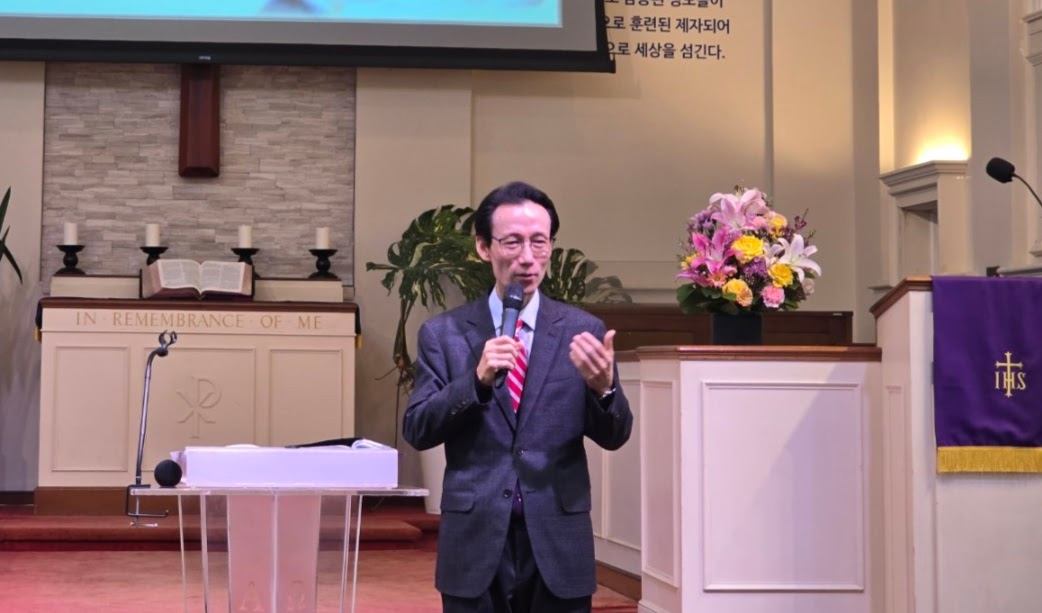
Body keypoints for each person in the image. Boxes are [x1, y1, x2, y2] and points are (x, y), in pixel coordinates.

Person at [402, 181, 633, 612]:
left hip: (557, 539)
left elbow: (615, 435)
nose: (528, 257)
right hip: (475, 540)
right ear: (484, 247)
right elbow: (417, 428)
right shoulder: (443, 334)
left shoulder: (583, 331)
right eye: (512, 242)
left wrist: (605, 390)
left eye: (539, 242)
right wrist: (475, 381)